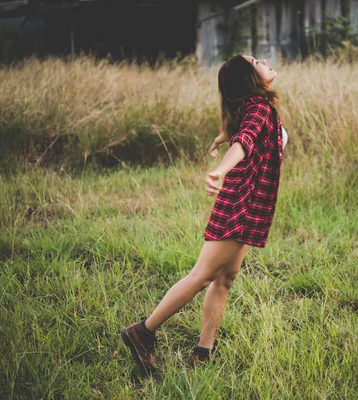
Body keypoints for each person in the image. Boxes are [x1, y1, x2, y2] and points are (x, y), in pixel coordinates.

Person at [120, 54, 288, 372]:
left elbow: (245, 131)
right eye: (256, 61)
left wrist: (224, 134)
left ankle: (203, 353)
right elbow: (246, 140)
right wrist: (221, 168)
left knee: (225, 279)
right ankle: (142, 332)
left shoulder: (257, 107)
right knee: (202, 276)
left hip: (249, 207)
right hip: (241, 205)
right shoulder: (259, 108)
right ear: (250, 79)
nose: (264, 60)